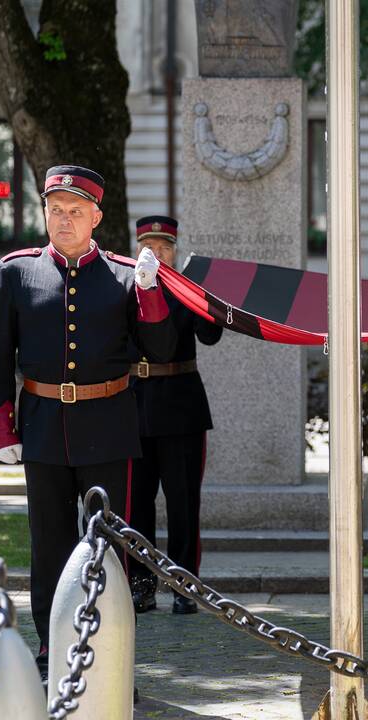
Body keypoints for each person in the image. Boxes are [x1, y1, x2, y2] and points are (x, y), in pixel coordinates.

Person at [0, 165, 176, 682]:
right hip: (43, 426)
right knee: (48, 547)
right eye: (54, 210)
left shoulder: (120, 273)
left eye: (74, 212)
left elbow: (157, 350)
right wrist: (0, 428)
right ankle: (51, 651)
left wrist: (150, 293)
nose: (63, 220)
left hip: (108, 428)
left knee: (108, 549)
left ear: (96, 216)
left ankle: (108, 658)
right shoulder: (17, 272)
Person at [128, 215, 223, 615]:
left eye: (165, 246)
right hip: (135, 407)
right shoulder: (125, 287)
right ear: (138, 249)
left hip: (181, 406)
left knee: (184, 503)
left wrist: (210, 299)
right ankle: (142, 584)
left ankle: (185, 587)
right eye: (150, 245)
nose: (157, 253)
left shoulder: (187, 289)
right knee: (136, 505)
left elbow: (211, 335)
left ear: (175, 250)